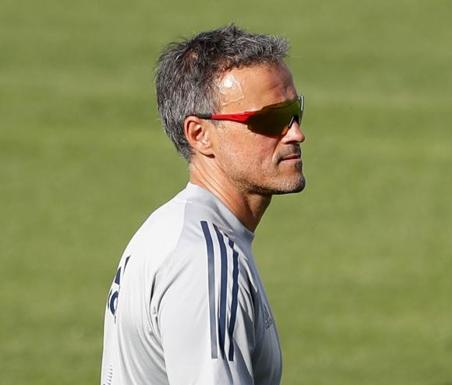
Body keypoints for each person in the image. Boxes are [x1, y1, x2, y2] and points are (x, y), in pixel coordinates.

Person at [101, 25, 306, 385]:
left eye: (294, 112)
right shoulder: (204, 263)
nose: (295, 133)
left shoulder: (172, 228)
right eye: (270, 119)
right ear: (200, 134)